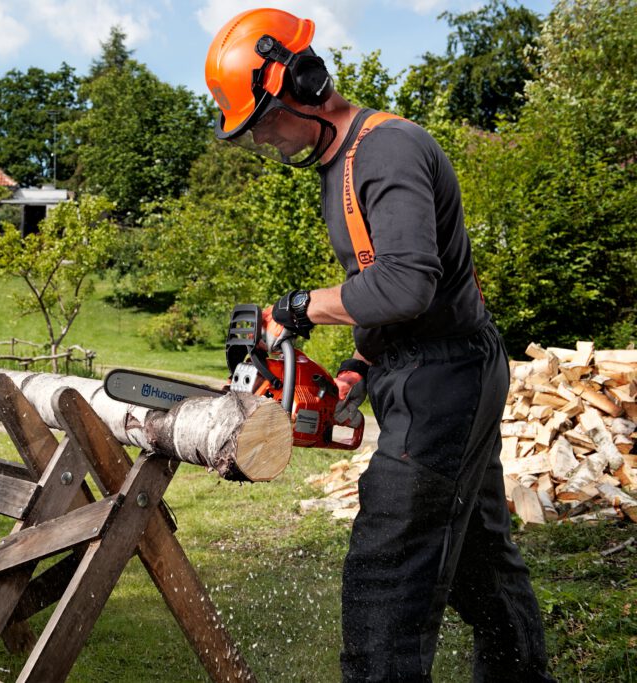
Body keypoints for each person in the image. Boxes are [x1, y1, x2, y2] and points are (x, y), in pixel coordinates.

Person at [205, 8, 554, 682]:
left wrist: (299, 308)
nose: (269, 143)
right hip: (424, 369)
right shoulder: (341, 167)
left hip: (446, 376)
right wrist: (358, 368)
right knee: (479, 562)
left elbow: (406, 284)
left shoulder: (387, 148)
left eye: (267, 123)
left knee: (385, 574)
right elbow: (378, 283)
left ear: (303, 82)